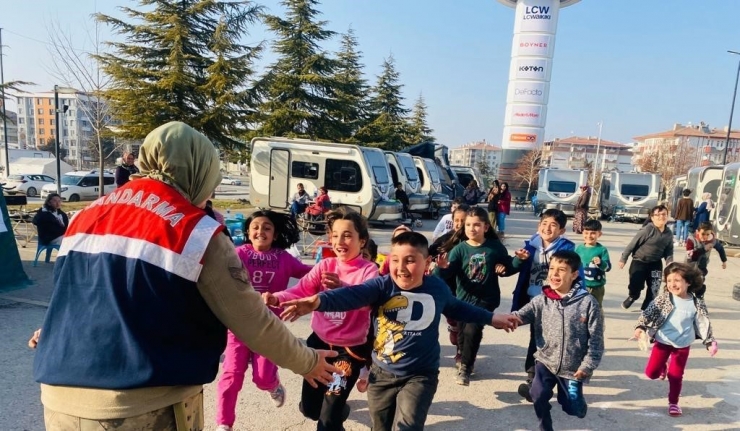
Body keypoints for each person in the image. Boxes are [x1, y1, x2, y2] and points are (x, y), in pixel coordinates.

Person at [31, 121, 340, 430]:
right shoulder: (197, 232)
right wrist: (308, 362)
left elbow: (74, 295)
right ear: (196, 171)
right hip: (142, 405)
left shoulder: (85, 216)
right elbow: (251, 319)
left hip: (59, 401)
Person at [278, 231, 520, 431]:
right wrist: (317, 302)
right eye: (395, 260)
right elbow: (351, 295)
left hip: (420, 375)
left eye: (410, 260)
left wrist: (491, 318)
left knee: (407, 427)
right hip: (381, 374)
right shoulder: (382, 286)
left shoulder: (436, 288)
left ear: (427, 264)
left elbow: (458, 307)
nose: (401, 267)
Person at [264, 207, 378, 431]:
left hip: (349, 353)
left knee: (327, 419)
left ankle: (335, 412)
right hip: (318, 349)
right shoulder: (325, 266)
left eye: (347, 235)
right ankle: (340, 411)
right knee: (311, 410)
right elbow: (300, 291)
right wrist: (276, 299)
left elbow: (367, 299)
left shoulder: (369, 270)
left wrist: (342, 288)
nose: (339, 241)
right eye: (335, 235)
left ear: (362, 241)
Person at [216, 210, 313, 431]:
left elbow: (309, 275)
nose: (261, 231)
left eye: (267, 227)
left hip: (269, 330)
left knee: (262, 378)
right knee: (231, 376)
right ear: (248, 232)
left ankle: (274, 386)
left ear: (275, 234)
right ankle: (224, 424)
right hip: (238, 327)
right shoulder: (236, 254)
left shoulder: (284, 258)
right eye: (256, 227)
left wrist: (334, 270)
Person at [510, 250, 604, 431]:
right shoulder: (541, 300)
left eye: (561, 269)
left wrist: (587, 366)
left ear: (574, 274)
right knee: (539, 395)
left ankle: (575, 403)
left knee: (572, 407)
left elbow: (596, 341)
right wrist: (505, 319)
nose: (554, 273)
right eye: (552, 268)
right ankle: (545, 427)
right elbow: (521, 315)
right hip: (545, 361)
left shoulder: (588, 303)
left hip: (573, 368)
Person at [434, 207, 517, 386]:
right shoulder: (459, 249)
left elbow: (509, 267)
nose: (472, 229)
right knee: (463, 332)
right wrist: (441, 268)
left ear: (486, 227)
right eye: (468, 225)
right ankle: (465, 358)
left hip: (486, 299)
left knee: (473, 329)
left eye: (477, 225)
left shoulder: (494, 247)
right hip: (463, 299)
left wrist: (517, 262)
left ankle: (465, 367)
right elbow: (444, 276)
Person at [632, 262, 718, 417]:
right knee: (651, 373)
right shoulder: (663, 299)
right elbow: (647, 314)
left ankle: (673, 403)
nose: (672, 284)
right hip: (663, 342)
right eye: (669, 280)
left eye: (677, 280)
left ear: (688, 282)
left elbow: (703, 323)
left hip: (683, 344)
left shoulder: (696, 303)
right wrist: (640, 327)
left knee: (676, 375)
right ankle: (663, 366)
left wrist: (709, 342)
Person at [510, 209, 578, 402]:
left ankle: (544, 382)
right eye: (544, 223)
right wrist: (514, 262)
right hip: (533, 301)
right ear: (538, 225)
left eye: (553, 225)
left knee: (548, 340)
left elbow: (577, 276)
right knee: (536, 339)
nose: (547, 228)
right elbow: (512, 269)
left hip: (555, 303)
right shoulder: (529, 246)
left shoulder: (567, 250)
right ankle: (535, 380)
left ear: (562, 231)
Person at [428, 204, 470, 363]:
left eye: (463, 221)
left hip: (466, 286)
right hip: (447, 284)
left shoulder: (473, 240)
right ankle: (453, 327)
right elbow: (429, 251)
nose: (459, 224)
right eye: (457, 220)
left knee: (464, 320)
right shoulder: (446, 239)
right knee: (453, 317)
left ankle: (461, 353)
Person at [619, 205, 674, 311]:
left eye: (664, 214)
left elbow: (669, 251)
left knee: (654, 287)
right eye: (657, 215)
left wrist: (669, 263)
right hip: (639, 262)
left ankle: (646, 308)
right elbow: (632, 244)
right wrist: (623, 259)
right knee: (636, 285)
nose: (661, 217)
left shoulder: (668, 233)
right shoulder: (647, 230)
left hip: (655, 263)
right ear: (652, 217)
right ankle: (633, 296)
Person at [575, 219, 611, 308]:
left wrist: (601, 263)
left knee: (596, 308)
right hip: (580, 285)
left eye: (593, 233)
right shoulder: (579, 248)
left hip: (597, 287)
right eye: (586, 233)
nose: (589, 236)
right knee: (580, 308)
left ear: (599, 234)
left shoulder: (602, 250)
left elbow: (608, 267)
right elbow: (573, 265)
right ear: (582, 233)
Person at [685, 222, 727, 299]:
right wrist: (703, 249)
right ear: (698, 232)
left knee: (700, 282)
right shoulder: (691, 239)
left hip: (702, 266)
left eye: (708, 234)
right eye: (703, 234)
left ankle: (699, 298)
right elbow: (690, 256)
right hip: (690, 266)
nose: (705, 237)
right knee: (688, 284)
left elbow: (720, 248)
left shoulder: (712, 240)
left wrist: (724, 261)